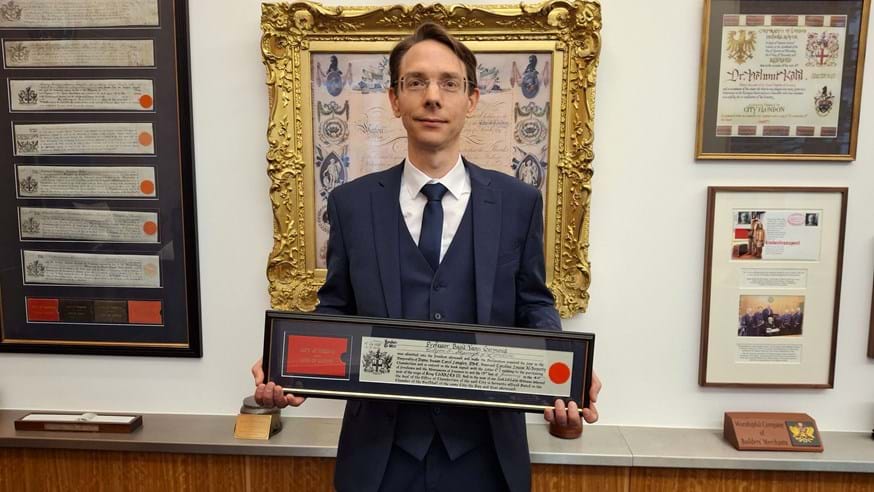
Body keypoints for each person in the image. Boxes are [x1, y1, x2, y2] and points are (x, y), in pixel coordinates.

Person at [251, 23, 601, 492]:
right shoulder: (351, 205)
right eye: (415, 82)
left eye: (449, 83)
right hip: (379, 461)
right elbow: (335, 310)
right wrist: (287, 366)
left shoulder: (519, 203)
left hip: (486, 460)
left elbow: (533, 305)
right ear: (395, 99)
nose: (432, 97)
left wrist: (565, 380)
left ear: (471, 99)